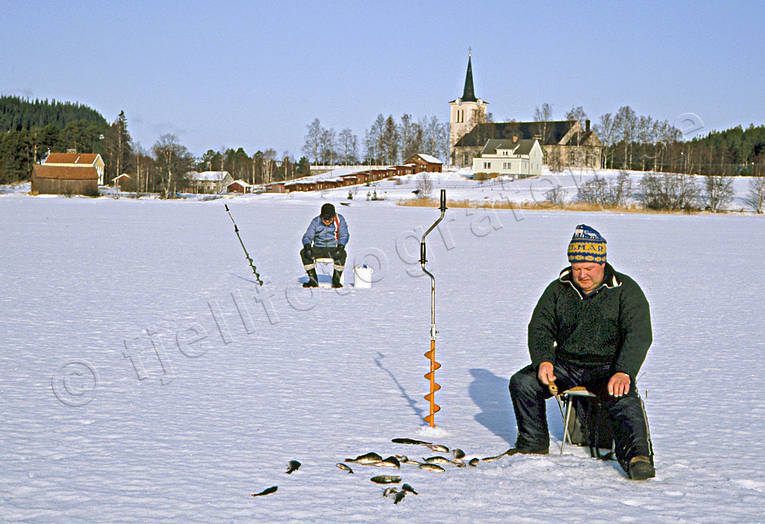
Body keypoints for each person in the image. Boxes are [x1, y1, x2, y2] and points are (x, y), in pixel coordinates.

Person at [508, 224, 655, 480]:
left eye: (589, 268)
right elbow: (540, 328)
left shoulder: (626, 290)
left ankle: (637, 457)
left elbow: (639, 335)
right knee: (523, 382)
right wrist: (543, 360)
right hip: (566, 364)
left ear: (603, 263)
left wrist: (624, 371)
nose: (582, 274)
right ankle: (532, 446)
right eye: (577, 268)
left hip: (608, 367)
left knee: (624, 398)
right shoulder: (558, 290)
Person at [300, 203, 349, 288]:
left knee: (343, 254)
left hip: (333, 248)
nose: (327, 221)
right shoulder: (316, 221)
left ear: (333, 217)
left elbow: (344, 235)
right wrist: (307, 246)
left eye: (329, 219)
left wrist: (341, 247)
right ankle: (313, 280)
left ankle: (336, 281)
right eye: (324, 218)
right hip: (318, 248)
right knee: (304, 253)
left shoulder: (339, 220)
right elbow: (308, 236)